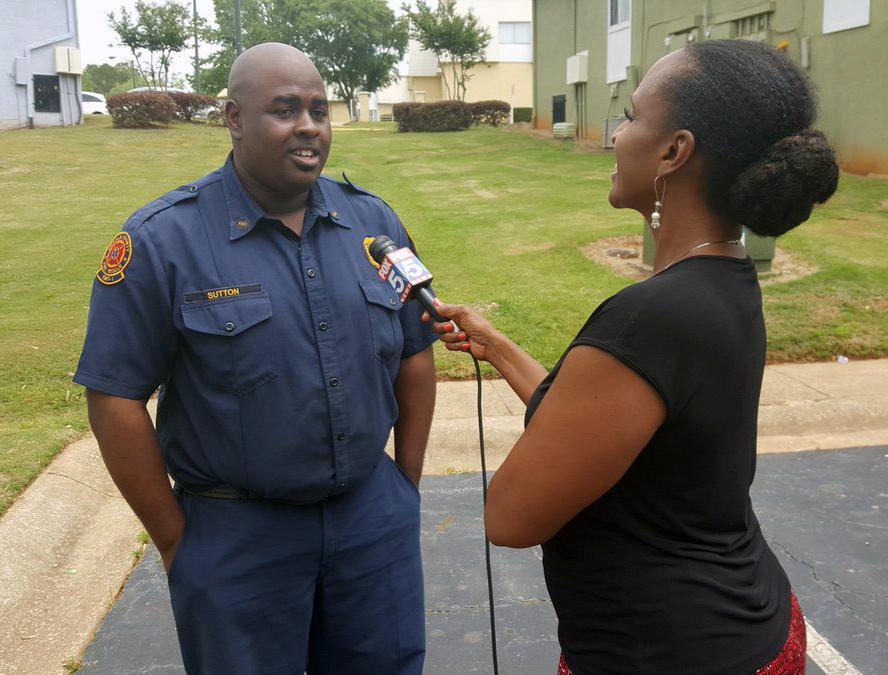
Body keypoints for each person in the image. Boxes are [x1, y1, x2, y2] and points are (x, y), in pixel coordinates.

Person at [428, 40, 838, 674]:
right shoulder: (726, 280)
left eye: (632, 117)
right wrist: (499, 348)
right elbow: (608, 431)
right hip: (754, 624)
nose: (617, 134)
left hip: (666, 653)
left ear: (674, 151)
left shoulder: (650, 319)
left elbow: (510, 517)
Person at [74, 43, 436, 674]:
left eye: (319, 110)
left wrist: (403, 485)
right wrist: (175, 538)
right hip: (236, 536)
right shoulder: (163, 239)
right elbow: (113, 394)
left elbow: (413, 350)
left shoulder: (373, 223)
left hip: (369, 523)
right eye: (285, 109)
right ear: (234, 119)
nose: (308, 127)